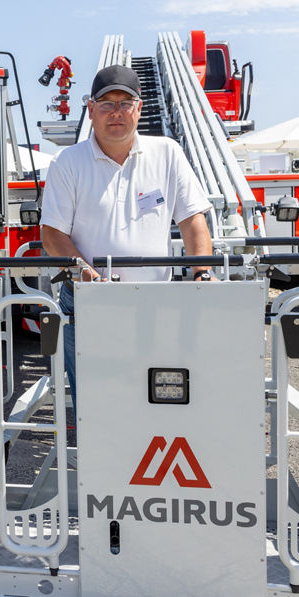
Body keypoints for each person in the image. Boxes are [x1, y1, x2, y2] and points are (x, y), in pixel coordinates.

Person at [39, 64, 215, 401]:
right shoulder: (68, 162)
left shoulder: (167, 154)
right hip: (88, 302)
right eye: (106, 103)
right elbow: (53, 235)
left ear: (139, 108)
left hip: (155, 301)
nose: (116, 113)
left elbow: (193, 220)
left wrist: (202, 273)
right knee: (95, 399)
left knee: (154, 393)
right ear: (90, 110)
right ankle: (93, 455)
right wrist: (87, 277)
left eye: (125, 103)